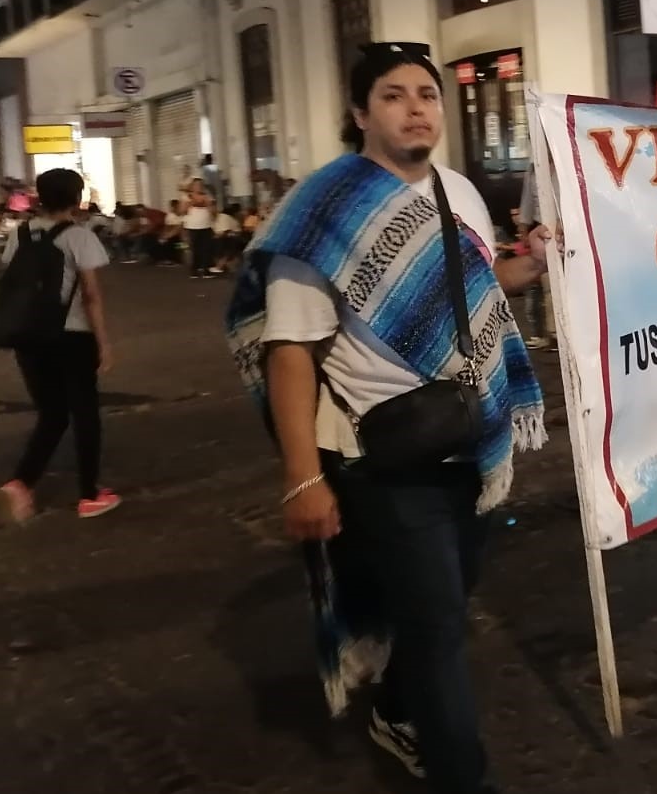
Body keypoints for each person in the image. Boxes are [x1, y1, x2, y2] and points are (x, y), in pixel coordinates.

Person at [224, 42, 551, 794]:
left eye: (427, 95)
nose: (416, 108)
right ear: (360, 112)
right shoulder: (323, 212)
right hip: (381, 454)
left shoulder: (460, 192)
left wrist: (524, 266)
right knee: (439, 625)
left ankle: (397, 709)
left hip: (464, 434)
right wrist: (302, 477)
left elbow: (467, 290)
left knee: (447, 596)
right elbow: (290, 353)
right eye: (395, 95)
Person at [0, 168, 119, 522]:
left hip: (29, 336)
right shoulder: (79, 237)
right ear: (76, 197)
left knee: (51, 414)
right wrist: (104, 342)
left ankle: (20, 485)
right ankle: (90, 494)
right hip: (72, 336)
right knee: (84, 415)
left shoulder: (20, 234)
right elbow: (91, 296)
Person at [184, 179, 217, 278]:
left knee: (206, 248)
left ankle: (206, 269)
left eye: (200, 185)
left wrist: (208, 204)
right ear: (192, 186)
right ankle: (194, 270)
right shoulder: (187, 197)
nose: (198, 187)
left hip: (206, 225)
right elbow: (181, 211)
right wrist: (192, 202)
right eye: (196, 185)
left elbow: (214, 212)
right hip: (192, 226)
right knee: (194, 248)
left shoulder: (208, 196)